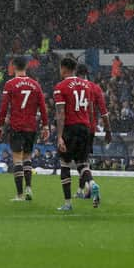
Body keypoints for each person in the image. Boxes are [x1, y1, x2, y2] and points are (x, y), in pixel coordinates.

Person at [0, 56, 49, 201]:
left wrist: (0, 126)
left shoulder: (10, 84)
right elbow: (43, 107)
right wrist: (45, 126)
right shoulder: (35, 84)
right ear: (26, 67)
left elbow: (4, 107)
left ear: (13, 67)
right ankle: (29, 188)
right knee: (27, 159)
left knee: (17, 160)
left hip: (16, 126)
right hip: (31, 127)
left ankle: (19, 195)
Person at [53, 57, 101, 210]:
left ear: (64, 69)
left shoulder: (61, 86)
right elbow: (91, 109)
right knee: (82, 163)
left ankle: (67, 203)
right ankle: (92, 183)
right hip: (85, 128)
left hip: (70, 128)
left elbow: (61, 113)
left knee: (65, 165)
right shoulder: (87, 86)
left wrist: (60, 136)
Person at [75, 63, 111, 199]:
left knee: (80, 162)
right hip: (90, 129)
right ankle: (82, 190)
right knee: (85, 160)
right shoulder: (95, 88)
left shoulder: (73, 87)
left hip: (76, 127)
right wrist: (108, 130)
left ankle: (91, 183)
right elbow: (104, 112)